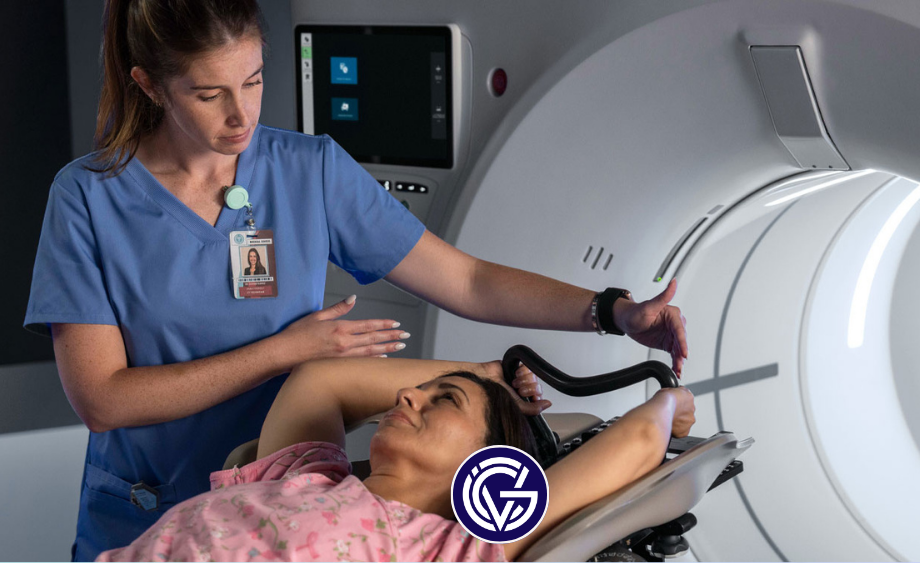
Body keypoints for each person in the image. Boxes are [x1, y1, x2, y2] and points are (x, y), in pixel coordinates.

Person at [23, 0, 688, 559]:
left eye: (254, 80)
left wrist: (614, 311)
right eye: (209, 93)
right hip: (149, 514)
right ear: (148, 83)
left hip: (293, 478)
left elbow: (469, 281)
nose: (242, 116)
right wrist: (281, 353)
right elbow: (102, 399)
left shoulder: (306, 169)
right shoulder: (88, 198)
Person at [96, 356, 695, 562]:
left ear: (495, 470)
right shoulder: (307, 475)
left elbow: (638, 442)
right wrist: (485, 376)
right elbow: (320, 382)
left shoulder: (447, 549)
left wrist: (671, 400)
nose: (407, 395)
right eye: (422, 389)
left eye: (444, 400)